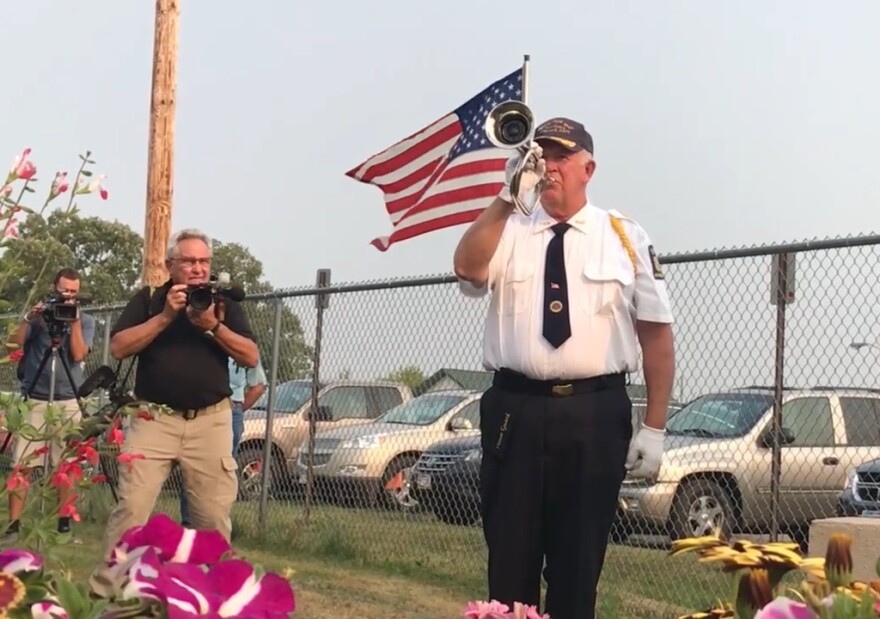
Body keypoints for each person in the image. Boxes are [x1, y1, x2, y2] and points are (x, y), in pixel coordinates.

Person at [453, 117, 675, 619]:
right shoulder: (508, 229)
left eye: (558, 157)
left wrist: (655, 426)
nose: (546, 167)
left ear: (587, 168)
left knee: (578, 570)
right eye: (538, 156)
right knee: (509, 567)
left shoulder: (622, 235)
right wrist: (507, 196)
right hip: (516, 411)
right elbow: (467, 268)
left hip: (594, 414)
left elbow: (656, 334)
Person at [88, 228, 259, 597]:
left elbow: (250, 356)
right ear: (170, 266)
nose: (198, 269)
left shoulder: (223, 304)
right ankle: (104, 597)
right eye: (189, 261)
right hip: (154, 420)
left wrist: (212, 325)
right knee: (131, 511)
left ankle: (221, 599)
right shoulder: (150, 299)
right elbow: (118, 347)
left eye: (204, 262)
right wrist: (166, 316)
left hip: (210, 421)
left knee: (213, 520)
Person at [0, 268, 95, 545]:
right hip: (36, 397)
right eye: (64, 291)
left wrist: (74, 321)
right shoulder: (39, 318)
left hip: (68, 399)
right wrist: (30, 319)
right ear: (54, 288)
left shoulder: (85, 320)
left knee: (65, 465)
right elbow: (11, 348)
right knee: (23, 465)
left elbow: (78, 354)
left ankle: (63, 524)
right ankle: (13, 526)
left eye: (73, 292)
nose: (68, 297)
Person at [178, 355, 267, 527]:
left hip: (231, 407)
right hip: (200, 407)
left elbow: (257, 386)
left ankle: (216, 524)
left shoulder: (242, 345)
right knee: (191, 467)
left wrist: (237, 409)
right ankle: (189, 524)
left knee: (222, 471)